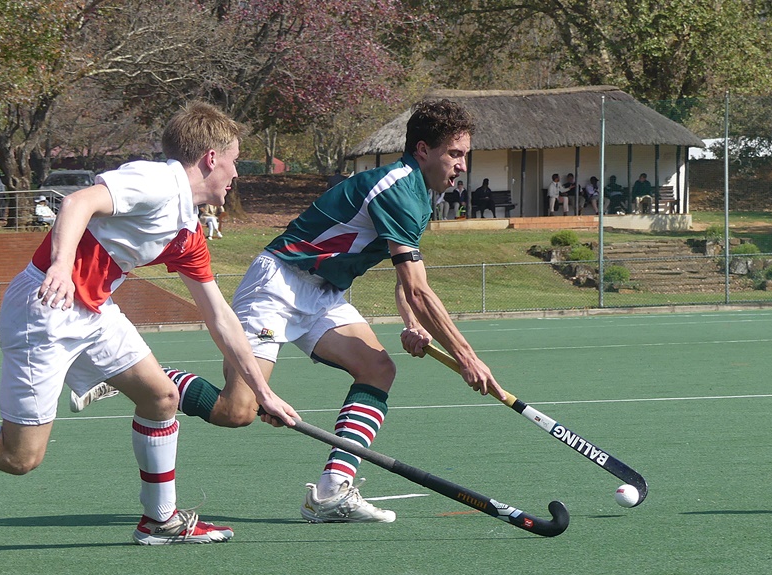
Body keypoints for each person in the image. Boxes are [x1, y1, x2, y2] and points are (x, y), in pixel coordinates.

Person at [0, 101, 298, 545]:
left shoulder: (187, 228)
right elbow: (77, 203)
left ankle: (160, 520)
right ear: (211, 158)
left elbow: (220, 318)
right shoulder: (156, 182)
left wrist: (262, 392)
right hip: (45, 310)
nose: (237, 174)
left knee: (161, 396)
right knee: (18, 457)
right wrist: (61, 264)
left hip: (94, 311)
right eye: (235, 160)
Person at [75, 99, 505, 524]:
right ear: (423, 150)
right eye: (455, 153)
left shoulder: (419, 196)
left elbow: (407, 279)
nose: (462, 165)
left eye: (464, 155)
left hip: (325, 295)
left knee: (377, 369)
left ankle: (332, 492)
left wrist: (412, 325)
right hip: (278, 283)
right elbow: (418, 289)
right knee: (236, 411)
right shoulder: (397, 187)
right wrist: (467, 357)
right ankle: (129, 373)